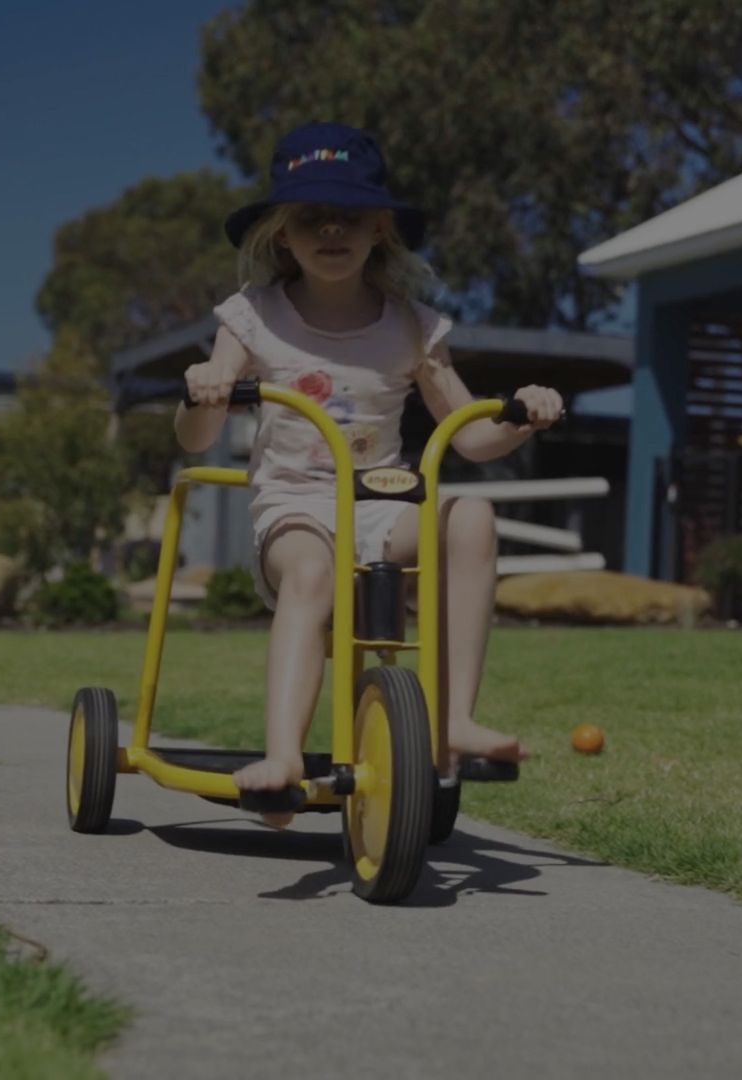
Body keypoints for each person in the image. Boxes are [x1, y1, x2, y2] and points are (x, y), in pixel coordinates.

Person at [175, 122, 561, 824]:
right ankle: (284, 757)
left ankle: (451, 720)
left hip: (381, 506)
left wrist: (521, 416)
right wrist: (203, 386)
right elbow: (198, 435)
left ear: (380, 227)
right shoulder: (252, 316)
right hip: (293, 510)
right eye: (310, 217)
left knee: (470, 516)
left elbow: (467, 435)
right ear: (279, 234)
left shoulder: (414, 327)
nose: (331, 229)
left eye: (349, 215)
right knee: (314, 573)